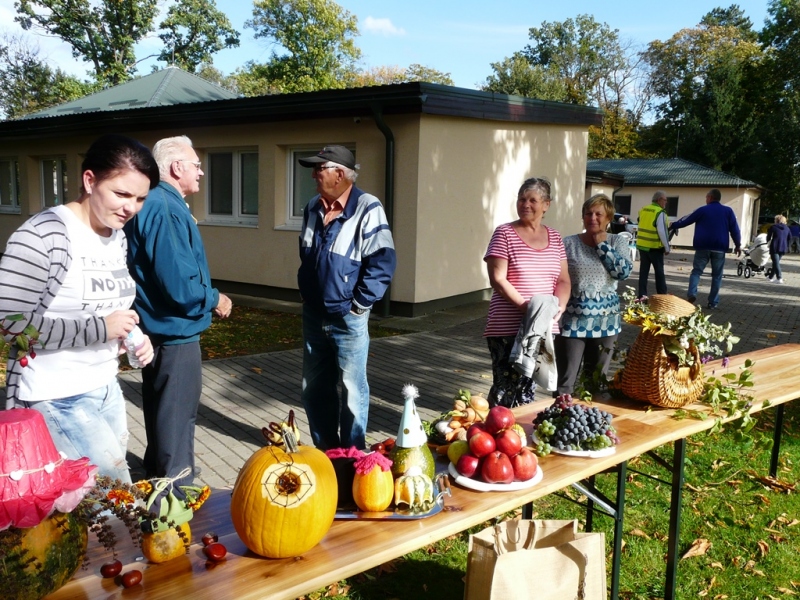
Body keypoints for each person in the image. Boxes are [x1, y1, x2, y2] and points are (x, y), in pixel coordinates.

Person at [0, 134, 159, 483]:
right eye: (121, 194)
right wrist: (102, 329)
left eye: (140, 199)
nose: (131, 207)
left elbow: (107, 306)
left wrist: (132, 335)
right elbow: (11, 324)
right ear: (90, 180)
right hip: (55, 397)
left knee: (90, 508)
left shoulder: (115, 236)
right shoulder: (42, 236)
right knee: (116, 505)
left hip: (105, 387)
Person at [125, 135, 232, 492]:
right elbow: (179, 286)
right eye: (196, 165)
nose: (201, 172)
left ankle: (161, 475)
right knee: (176, 415)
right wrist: (214, 298)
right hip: (173, 332)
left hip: (159, 329)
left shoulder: (157, 203)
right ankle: (172, 494)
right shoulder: (166, 208)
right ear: (176, 167)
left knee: (162, 412)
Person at [297, 145, 396, 450]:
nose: (314, 175)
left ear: (339, 174)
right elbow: (307, 254)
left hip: (347, 318)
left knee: (353, 389)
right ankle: (328, 454)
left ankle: (353, 455)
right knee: (314, 388)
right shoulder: (313, 206)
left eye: (319, 169)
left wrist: (359, 305)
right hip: (314, 315)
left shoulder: (368, 207)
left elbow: (383, 261)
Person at [484, 177, 570, 408]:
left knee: (527, 390)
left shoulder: (555, 237)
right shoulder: (504, 233)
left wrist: (558, 309)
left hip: (542, 328)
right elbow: (498, 279)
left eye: (533, 200)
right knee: (505, 389)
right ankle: (497, 436)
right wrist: (529, 308)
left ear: (546, 205)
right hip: (507, 326)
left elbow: (563, 280)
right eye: (522, 199)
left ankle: (519, 439)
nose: (526, 204)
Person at [556, 194, 632, 396]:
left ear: (608, 218)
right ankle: (560, 420)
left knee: (596, 381)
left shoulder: (618, 242)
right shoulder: (568, 243)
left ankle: (592, 423)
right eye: (588, 213)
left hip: (606, 323)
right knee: (565, 382)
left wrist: (601, 244)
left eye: (599, 214)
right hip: (572, 321)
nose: (593, 218)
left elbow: (622, 272)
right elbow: (556, 277)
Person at [669, 188, 741, 309]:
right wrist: (738, 245)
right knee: (717, 275)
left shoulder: (702, 210)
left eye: (706, 197)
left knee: (696, 271)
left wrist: (674, 225)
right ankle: (713, 302)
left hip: (702, 246)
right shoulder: (728, 211)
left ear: (711, 198)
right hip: (719, 248)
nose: (706, 199)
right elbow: (735, 229)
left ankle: (692, 293)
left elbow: (687, 220)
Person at [636, 190, 670, 299]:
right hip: (655, 247)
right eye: (665, 200)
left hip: (642, 246)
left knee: (643, 273)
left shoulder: (643, 209)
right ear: (659, 199)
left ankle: (642, 295)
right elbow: (662, 231)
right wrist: (667, 247)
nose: (666, 202)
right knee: (659, 273)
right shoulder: (660, 212)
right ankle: (662, 295)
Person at [767, 215, 792, 284]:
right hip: (783, 248)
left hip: (774, 247)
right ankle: (770, 277)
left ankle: (779, 277)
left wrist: (767, 242)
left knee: (776, 263)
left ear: (776, 220)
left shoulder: (773, 227)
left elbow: (768, 236)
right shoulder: (787, 228)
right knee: (776, 263)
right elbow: (790, 238)